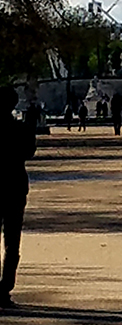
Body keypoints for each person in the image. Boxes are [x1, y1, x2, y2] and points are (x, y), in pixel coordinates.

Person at [0, 85, 36, 308]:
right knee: (12, 243)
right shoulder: (21, 129)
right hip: (14, 187)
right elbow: (29, 152)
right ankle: (5, 287)